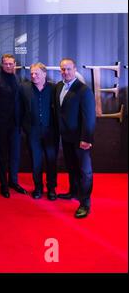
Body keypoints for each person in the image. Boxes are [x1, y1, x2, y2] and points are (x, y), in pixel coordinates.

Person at [54, 58, 96, 218]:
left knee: (85, 172)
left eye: (68, 69)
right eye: (63, 69)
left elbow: (89, 117)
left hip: (81, 139)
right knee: (71, 167)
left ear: (75, 69)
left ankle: (85, 203)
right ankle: (73, 192)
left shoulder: (83, 90)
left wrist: (86, 138)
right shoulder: (59, 87)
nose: (65, 72)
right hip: (66, 138)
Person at [20, 63, 59, 200]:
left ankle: (52, 188)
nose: (33, 76)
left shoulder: (54, 89)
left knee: (51, 160)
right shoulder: (24, 88)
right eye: (31, 73)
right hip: (33, 132)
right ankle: (38, 187)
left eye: (36, 73)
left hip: (51, 131)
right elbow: (20, 110)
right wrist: (26, 128)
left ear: (44, 74)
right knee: (35, 161)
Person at [0, 54, 27, 198]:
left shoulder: (18, 79)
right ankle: (4, 185)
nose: (8, 66)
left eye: (11, 64)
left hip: (16, 124)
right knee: (2, 156)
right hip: (1, 124)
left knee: (15, 155)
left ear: (14, 65)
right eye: (6, 64)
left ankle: (13, 181)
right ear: (2, 65)